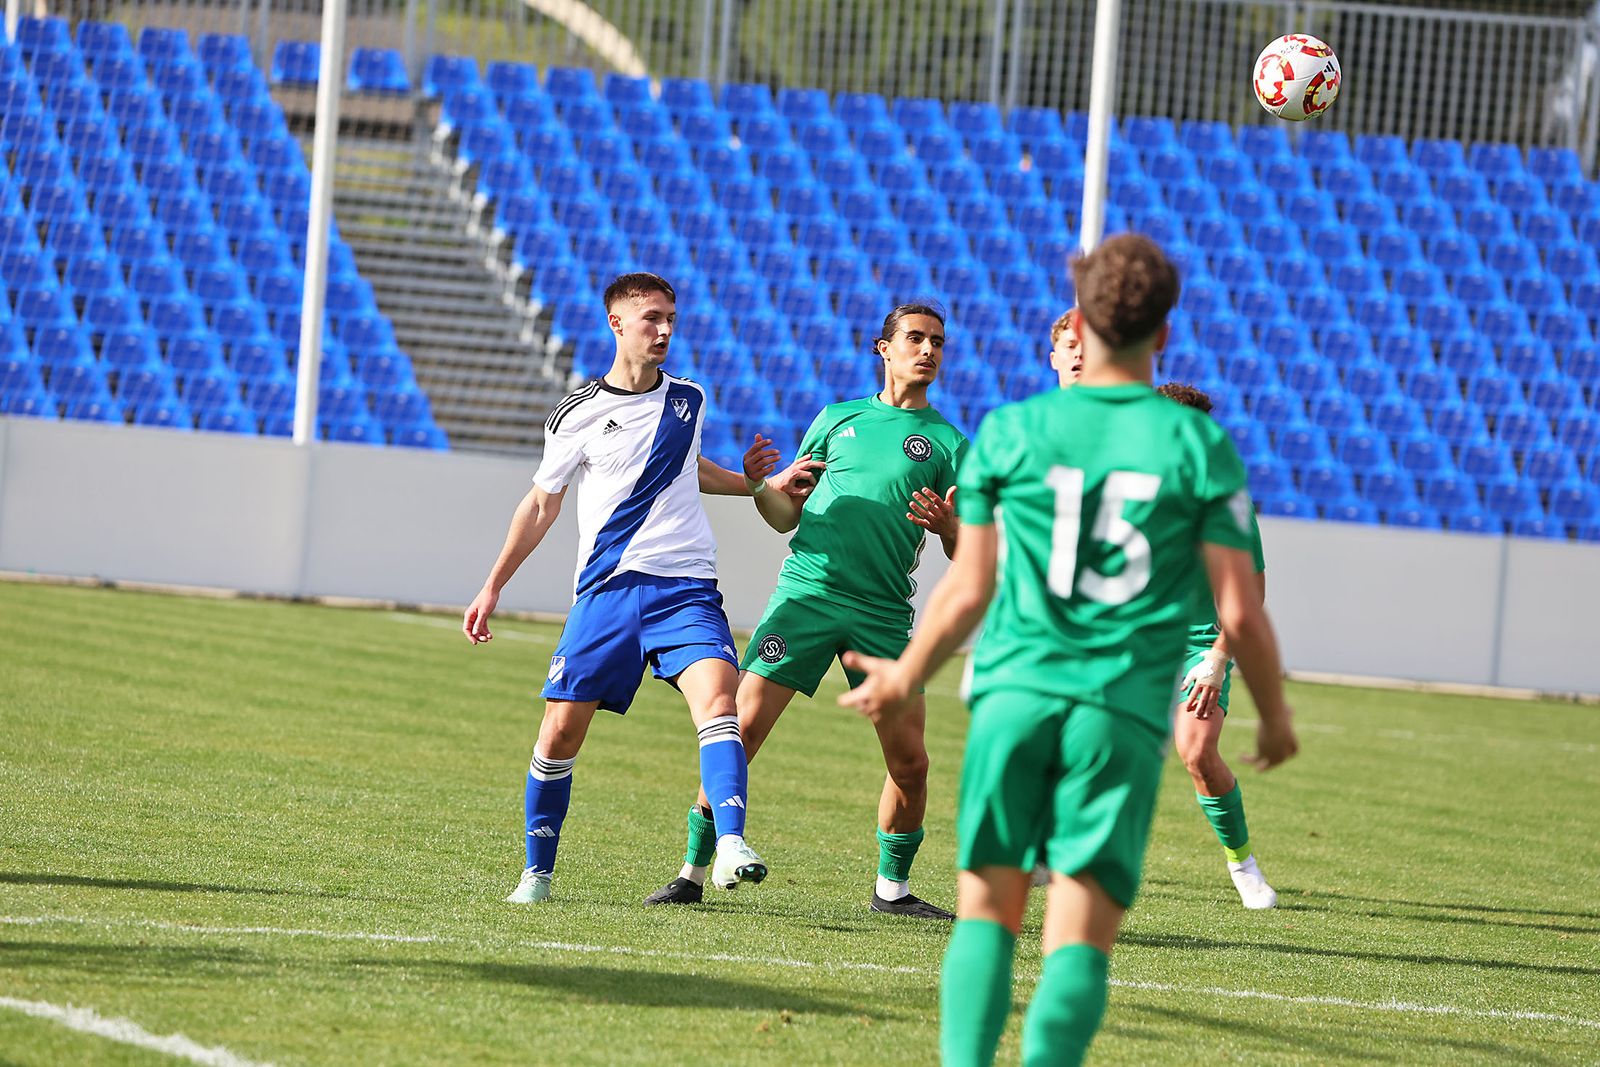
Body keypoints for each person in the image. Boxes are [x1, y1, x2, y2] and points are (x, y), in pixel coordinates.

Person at [839, 235, 1299, 1066]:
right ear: (1162, 336)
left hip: (1013, 694)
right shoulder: (1199, 447)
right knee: (1078, 937)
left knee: (987, 915)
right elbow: (1242, 606)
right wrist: (1271, 715)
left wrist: (906, 672)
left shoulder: (1013, 430)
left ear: (1080, 326)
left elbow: (968, 587)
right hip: (1116, 713)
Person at [463, 271, 794, 904]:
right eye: (652, 319)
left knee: (719, 700)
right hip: (608, 593)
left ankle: (729, 842)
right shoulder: (579, 413)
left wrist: (751, 482)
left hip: (685, 588)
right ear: (617, 324)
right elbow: (541, 503)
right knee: (560, 734)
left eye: (671, 317)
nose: (665, 329)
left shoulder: (689, 399)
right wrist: (493, 585)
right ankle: (536, 874)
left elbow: (685, 468)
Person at [644, 304, 968, 919]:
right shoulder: (837, 419)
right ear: (884, 347)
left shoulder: (950, 443)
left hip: (881, 617)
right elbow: (784, 516)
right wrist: (771, 491)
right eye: (916, 339)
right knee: (738, 733)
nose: (928, 351)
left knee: (911, 761)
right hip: (806, 598)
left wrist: (952, 528)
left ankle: (892, 891)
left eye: (938, 342)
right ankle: (690, 872)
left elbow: (963, 548)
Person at [1157, 382, 1277, 909]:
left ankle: (1242, 864)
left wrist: (1217, 659)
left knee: (1199, 752)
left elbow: (1250, 595)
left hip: (1200, 646)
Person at [1049, 308, 1084, 385]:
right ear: (1054, 360)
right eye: (1070, 346)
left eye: (1087, 348)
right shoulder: (1039, 397)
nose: (1079, 353)